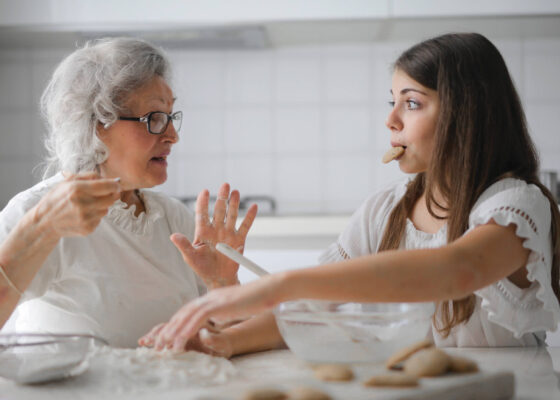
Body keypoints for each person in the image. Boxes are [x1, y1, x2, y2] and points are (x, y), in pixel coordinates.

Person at [141, 32, 560, 354]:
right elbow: (319, 308)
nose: (390, 120)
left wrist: (281, 284)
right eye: (392, 102)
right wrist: (226, 339)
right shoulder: (385, 209)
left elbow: (459, 270)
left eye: (411, 103)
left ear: (467, 112)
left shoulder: (517, 205)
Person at [0, 37, 257, 348]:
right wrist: (39, 227)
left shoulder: (174, 217)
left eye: (171, 116)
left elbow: (225, 337)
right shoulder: (36, 210)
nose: (172, 136)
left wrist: (223, 284)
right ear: (95, 124)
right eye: (154, 118)